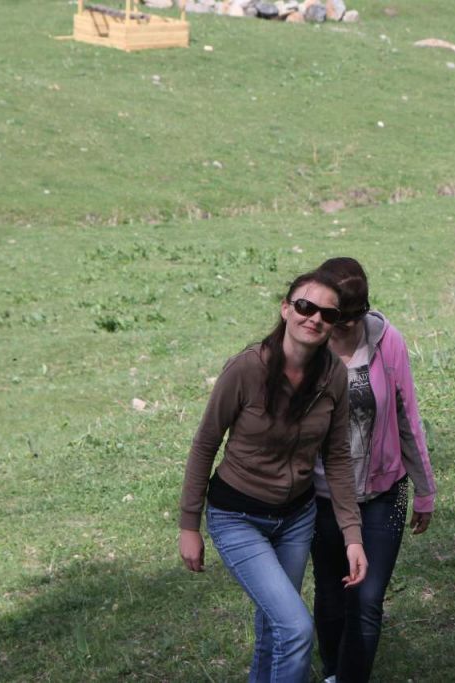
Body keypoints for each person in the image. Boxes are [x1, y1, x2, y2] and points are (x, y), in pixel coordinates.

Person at [179, 270, 368, 683]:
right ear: (286, 309)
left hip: (296, 519)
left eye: (327, 314)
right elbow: (205, 443)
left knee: (275, 628)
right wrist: (189, 525)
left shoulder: (334, 375)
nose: (314, 318)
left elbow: (337, 456)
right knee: (295, 628)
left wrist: (352, 536)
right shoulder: (246, 369)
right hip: (238, 517)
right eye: (305, 306)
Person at [310, 257, 437, 683]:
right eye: (335, 317)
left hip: (384, 494)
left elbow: (407, 417)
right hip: (323, 498)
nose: (342, 327)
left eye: (351, 317)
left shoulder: (387, 341)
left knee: (366, 601)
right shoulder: (307, 342)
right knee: (331, 596)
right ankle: (333, 672)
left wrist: (425, 489)